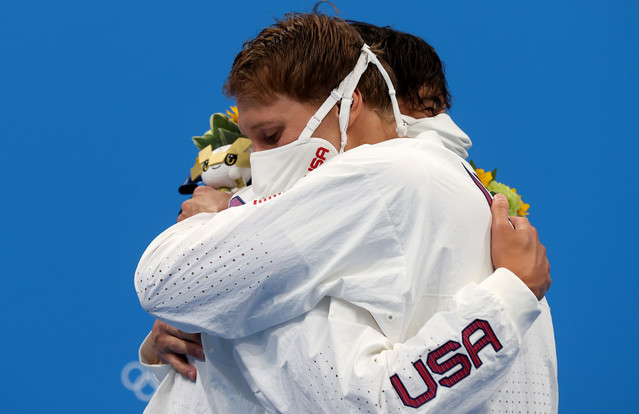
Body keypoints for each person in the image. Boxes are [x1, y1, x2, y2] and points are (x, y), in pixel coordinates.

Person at [136, 14, 553, 412]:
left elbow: (163, 280)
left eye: (271, 136)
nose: (259, 161)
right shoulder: (452, 196)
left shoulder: (387, 174)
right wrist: (207, 312)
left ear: (351, 104)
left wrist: (217, 259)